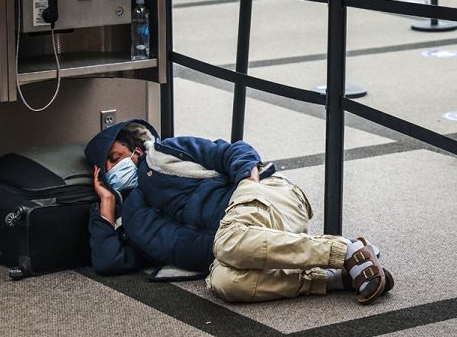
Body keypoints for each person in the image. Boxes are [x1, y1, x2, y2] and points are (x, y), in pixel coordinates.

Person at [86, 119, 394, 305]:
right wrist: (107, 205)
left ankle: (345, 249)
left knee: (228, 241)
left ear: (135, 149)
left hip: (268, 197)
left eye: (117, 157)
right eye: (107, 166)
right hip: (242, 248)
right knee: (225, 283)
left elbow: (234, 151)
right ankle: (334, 277)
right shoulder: (132, 217)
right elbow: (108, 261)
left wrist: (248, 183)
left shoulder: (164, 153)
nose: (115, 168)